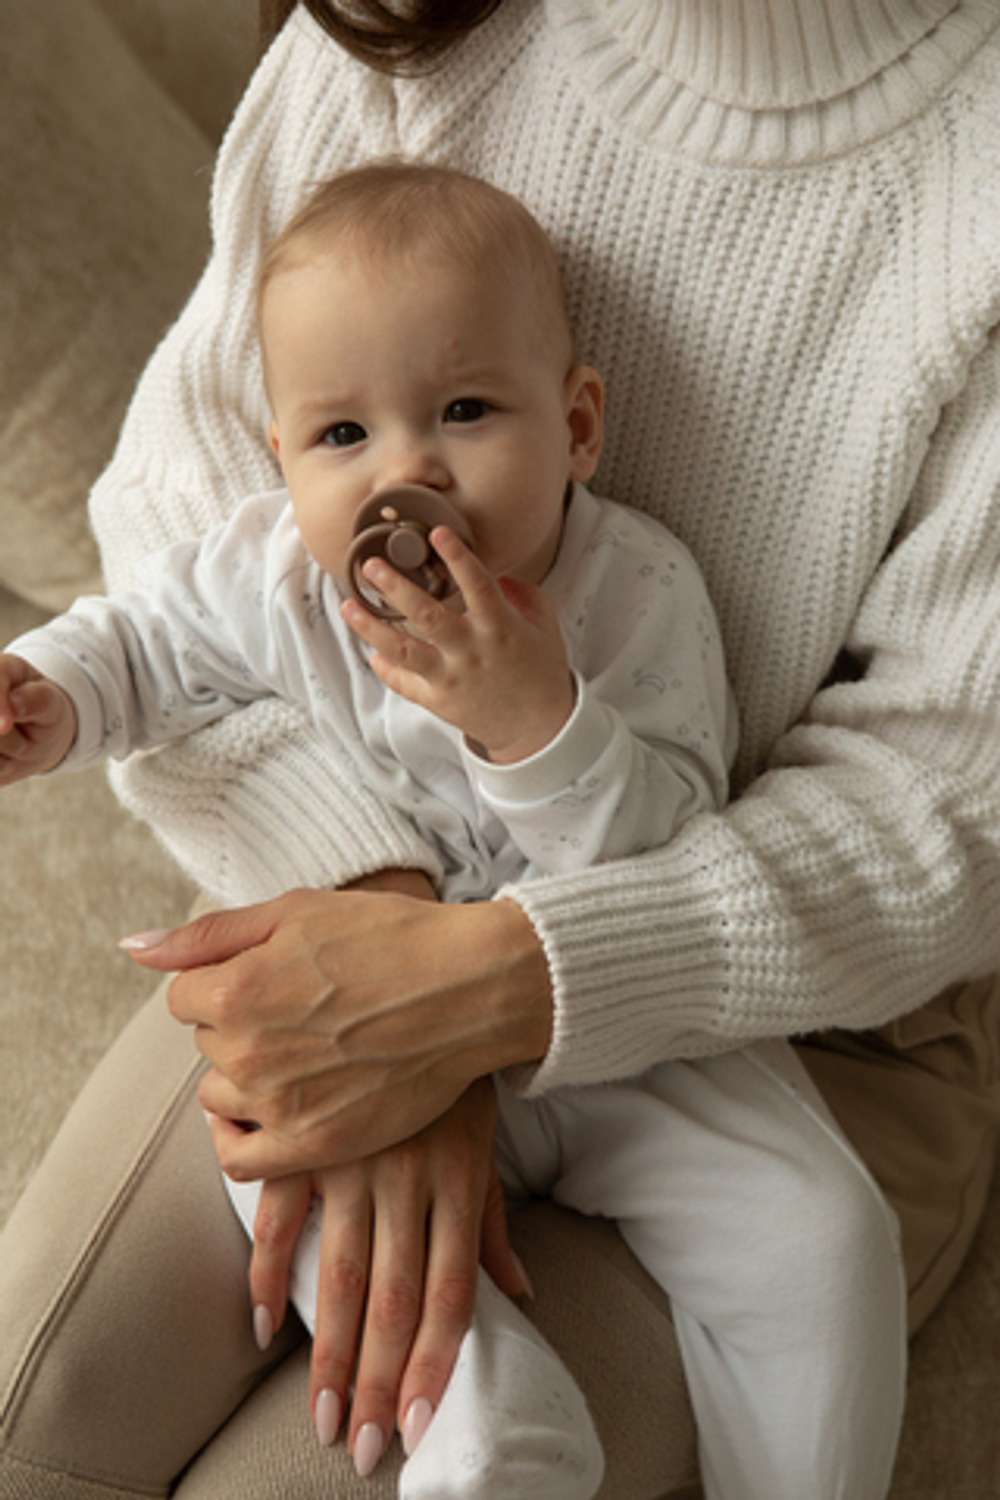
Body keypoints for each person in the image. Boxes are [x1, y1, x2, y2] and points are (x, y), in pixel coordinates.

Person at [1, 1, 999, 1497]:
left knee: (817, 1237)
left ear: (580, 426)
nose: (404, 472)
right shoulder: (281, 560)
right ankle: (482, 1405)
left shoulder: (633, 594)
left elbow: (911, 805)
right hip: (341, 931)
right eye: (342, 439)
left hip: (715, 1002)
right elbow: (155, 606)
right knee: (51, 1405)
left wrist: (526, 779)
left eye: (464, 413)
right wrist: (52, 693)